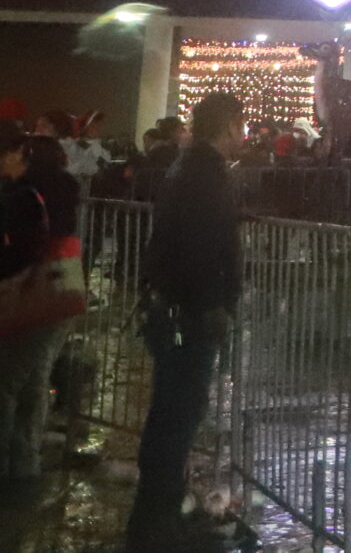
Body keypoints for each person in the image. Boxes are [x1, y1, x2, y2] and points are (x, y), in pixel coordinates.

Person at [129, 92, 244, 552]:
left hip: (178, 308)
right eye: (241, 125)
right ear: (230, 125)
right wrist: (212, 304)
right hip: (188, 314)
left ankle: (157, 513)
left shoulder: (193, 169)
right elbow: (199, 251)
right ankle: (155, 523)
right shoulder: (203, 176)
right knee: (176, 415)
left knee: (172, 414)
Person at [0, 127, 82, 487]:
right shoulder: (63, 190)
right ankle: (25, 461)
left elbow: (15, 252)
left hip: (31, 289)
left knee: (4, 383)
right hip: (63, 285)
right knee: (34, 377)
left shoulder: (23, 197)